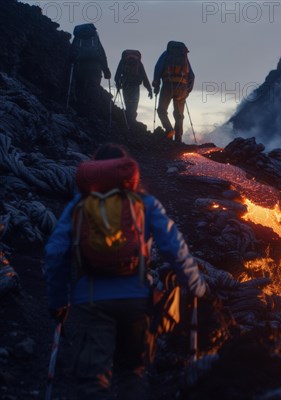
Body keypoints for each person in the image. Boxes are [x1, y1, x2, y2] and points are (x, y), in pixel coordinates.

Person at [43, 143, 207, 399]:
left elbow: (56, 252)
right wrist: (194, 283)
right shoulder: (144, 204)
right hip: (136, 300)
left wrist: (58, 301)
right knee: (133, 372)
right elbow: (174, 247)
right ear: (128, 172)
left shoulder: (79, 205)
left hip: (91, 299)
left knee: (92, 380)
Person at [153, 41, 195, 143]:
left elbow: (158, 68)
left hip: (168, 85)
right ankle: (178, 140)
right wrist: (187, 91)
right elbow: (192, 75)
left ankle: (169, 129)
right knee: (179, 115)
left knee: (161, 110)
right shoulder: (184, 57)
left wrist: (156, 85)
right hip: (182, 87)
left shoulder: (166, 54)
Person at [69, 23, 111, 116]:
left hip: (80, 67)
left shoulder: (78, 36)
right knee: (93, 89)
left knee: (79, 88)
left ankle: (80, 111)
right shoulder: (94, 36)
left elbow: (72, 53)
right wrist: (106, 70)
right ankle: (93, 113)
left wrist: (70, 62)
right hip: (95, 68)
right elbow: (101, 54)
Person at [114, 50, 153, 127]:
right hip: (135, 87)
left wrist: (118, 85)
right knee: (133, 106)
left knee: (128, 105)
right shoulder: (139, 62)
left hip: (126, 86)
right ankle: (132, 124)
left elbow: (117, 75)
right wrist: (149, 89)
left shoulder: (123, 61)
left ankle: (128, 125)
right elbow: (144, 77)